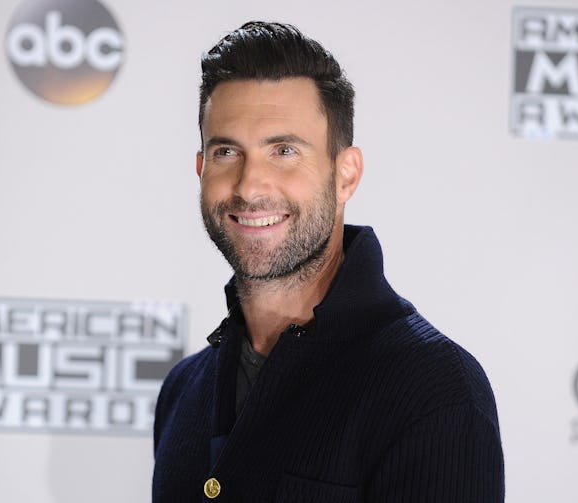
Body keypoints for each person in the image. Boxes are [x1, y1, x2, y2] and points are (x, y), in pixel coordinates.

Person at [153, 21, 504, 502]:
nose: (251, 185)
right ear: (201, 170)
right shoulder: (183, 389)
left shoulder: (435, 390)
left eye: (284, 151)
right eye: (227, 151)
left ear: (346, 174)